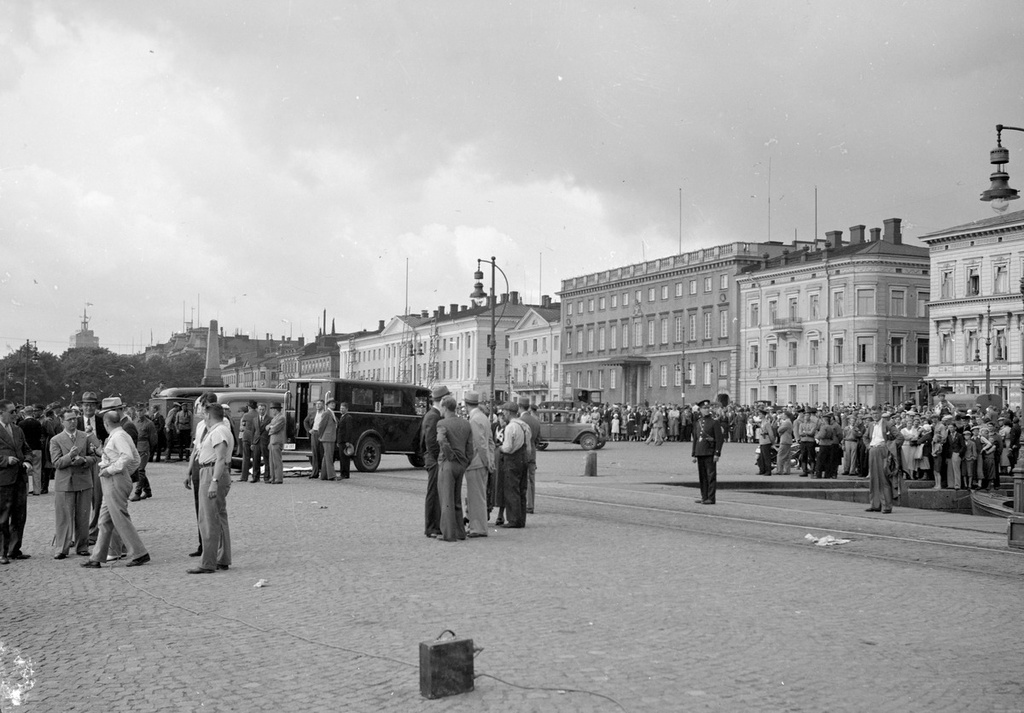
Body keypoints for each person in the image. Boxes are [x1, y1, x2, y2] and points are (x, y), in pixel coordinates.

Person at [81, 411, 150, 568]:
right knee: (104, 520)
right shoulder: (122, 435)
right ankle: (97, 557)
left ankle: (139, 552)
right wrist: (125, 473)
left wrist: (112, 470)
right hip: (116, 478)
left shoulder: (118, 437)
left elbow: (128, 456)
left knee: (119, 518)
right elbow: (135, 459)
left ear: (106, 424)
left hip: (113, 479)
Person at [188, 402, 234, 574]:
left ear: (208, 415)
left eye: (203, 414)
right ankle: (222, 558)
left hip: (212, 472)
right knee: (219, 517)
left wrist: (214, 481)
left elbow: (220, 458)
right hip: (212, 471)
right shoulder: (219, 430)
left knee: (208, 519)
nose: (202, 416)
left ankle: (208, 562)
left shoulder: (218, 432)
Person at [49, 410, 100, 559]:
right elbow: (56, 462)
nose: (73, 422)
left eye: (75, 419)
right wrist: (70, 456)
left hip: (84, 481)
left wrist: (83, 460)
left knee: (83, 516)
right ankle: (61, 548)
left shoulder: (85, 436)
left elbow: (94, 457)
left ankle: (82, 546)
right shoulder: (56, 440)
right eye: (69, 419)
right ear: (62, 421)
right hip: (65, 483)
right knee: (64, 517)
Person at [435, 395, 474, 542]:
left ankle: (448, 534)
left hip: (448, 463)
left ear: (445, 408)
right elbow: (470, 447)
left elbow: (441, 439)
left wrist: (449, 454)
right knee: (456, 498)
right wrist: (466, 461)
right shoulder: (466, 424)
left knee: (446, 499)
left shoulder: (442, 423)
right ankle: (460, 532)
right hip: (461, 464)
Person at [0, 399, 32, 564]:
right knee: (3, 517)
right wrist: (5, 460)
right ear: (1, 412)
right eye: (11, 412)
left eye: (15, 411)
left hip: (20, 478)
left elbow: (27, 449)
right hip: (4, 480)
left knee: (19, 515)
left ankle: (14, 549)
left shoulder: (18, 429)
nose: (15, 414)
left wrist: (27, 461)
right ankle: (2, 552)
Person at [464, 392, 493, 537]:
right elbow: (490, 442)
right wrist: (490, 460)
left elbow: (480, 444)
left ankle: (478, 528)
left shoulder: (474, 420)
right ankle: (477, 526)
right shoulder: (483, 418)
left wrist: (486, 461)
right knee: (479, 496)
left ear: (466, 404)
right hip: (482, 462)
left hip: (476, 462)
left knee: (476, 497)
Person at [498, 401, 531, 528]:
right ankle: (521, 519)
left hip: (512, 460)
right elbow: (528, 446)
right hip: (523, 458)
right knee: (522, 490)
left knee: (511, 490)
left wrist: (499, 448)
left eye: (504, 412)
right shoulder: (524, 425)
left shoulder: (510, 427)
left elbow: (508, 447)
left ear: (508, 412)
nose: (503, 415)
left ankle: (513, 519)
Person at [864, 408, 903, 514]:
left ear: (881, 413)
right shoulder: (871, 425)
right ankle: (875, 504)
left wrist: (889, 446)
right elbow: (865, 437)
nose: (874, 415)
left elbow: (900, 437)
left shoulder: (888, 424)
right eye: (873, 413)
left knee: (884, 479)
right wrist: (868, 446)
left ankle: (886, 506)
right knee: (873, 478)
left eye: (876, 413)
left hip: (883, 452)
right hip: (873, 450)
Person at [421, 385, 446, 538]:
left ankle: (434, 525)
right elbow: (431, 441)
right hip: (434, 459)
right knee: (434, 493)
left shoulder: (432, 415)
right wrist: (438, 457)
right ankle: (431, 526)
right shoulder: (433, 416)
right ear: (442, 400)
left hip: (431, 458)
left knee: (435, 492)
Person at [691, 399, 723, 505]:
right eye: (704, 408)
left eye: (708, 408)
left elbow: (719, 439)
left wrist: (717, 453)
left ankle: (711, 498)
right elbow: (696, 439)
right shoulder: (698, 422)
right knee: (702, 476)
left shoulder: (714, 422)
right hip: (700, 451)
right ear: (700, 409)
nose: (706, 410)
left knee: (710, 476)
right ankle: (704, 496)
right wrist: (694, 453)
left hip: (710, 452)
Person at [518, 397, 541, 514]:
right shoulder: (536, 421)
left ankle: (528, 504)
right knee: (531, 479)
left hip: (523, 453)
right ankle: (531, 504)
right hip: (533, 453)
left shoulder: (519, 421)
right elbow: (538, 439)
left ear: (519, 406)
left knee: (524, 479)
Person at [130, 404, 158, 501]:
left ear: (145, 411)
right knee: (138, 469)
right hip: (135, 448)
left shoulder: (149, 423)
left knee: (140, 470)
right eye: (137, 411)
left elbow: (153, 439)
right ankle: (147, 490)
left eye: (141, 411)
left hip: (144, 448)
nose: (139, 413)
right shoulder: (134, 422)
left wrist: (150, 449)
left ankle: (137, 492)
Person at [19, 405, 44, 496]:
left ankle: (25, 490)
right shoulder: (37, 423)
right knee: (37, 470)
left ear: (24, 413)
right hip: (37, 448)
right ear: (32, 413)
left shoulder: (21, 424)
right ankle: (37, 490)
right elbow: (41, 435)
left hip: (26, 450)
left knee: (25, 470)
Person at [318, 397, 339, 481]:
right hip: (327, 437)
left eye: (334, 403)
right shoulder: (327, 413)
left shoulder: (331, 413)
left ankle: (324, 475)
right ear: (327, 405)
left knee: (326, 456)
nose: (333, 404)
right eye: (331, 403)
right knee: (329, 456)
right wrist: (320, 435)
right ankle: (331, 475)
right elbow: (321, 425)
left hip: (330, 437)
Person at [305, 399, 324, 480]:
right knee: (315, 454)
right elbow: (305, 422)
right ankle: (315, 473)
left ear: (323, 405)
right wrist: (309, 430)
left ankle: (323, 473)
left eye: (320, 404)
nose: (318, 405)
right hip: (314, 433)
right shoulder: (312, 413)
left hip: (322, 434)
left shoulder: (326, 413)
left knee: (322, 453)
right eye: (317, 404)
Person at [267, 402, 286, 484]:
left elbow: (274, 429)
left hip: (277, 440)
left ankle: (278, 478)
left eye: (272, 409)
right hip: (272, 440)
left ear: (276, 410)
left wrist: (270, 427)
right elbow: (267, 427)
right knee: (272, 461)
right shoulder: (274, 418)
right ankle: (273, 477)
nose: (272, 411)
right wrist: (271, 427)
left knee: (277, 461)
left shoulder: (281, 418)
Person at [239, 401, 258, 482]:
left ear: (249, 407)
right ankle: (255, 476)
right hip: (255, 438)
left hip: (246, 436)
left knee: (246, 457)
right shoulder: (258, 415)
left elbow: (242, 427)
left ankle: (244, 477)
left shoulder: (246, 415)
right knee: (255, 458)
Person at [253, 403, 270, 483]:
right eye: (260, 409)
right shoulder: (254, 419)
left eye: (263, 409)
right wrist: (252, 443)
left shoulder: (270, 419)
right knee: (256, 459)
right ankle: (255, 477)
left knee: (266, 459)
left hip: (265, 441)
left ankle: (267, 477)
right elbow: (253, 431)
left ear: (265, 410)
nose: (261, 411)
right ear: (257, 410)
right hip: (256, 441)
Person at [336, 402, 352, 479]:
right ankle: (342, 472)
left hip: (344, 441)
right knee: (341, 457)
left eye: (343, 408)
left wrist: (347, 441)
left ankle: (345, 473)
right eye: (340, 408)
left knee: (345, 458)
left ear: (347, 409)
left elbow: (348, 430)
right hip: (340, 440)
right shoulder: (342, 417)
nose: (341, 410)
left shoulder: (348, 417)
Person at [776, 410, 794, 475]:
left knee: (780, 455)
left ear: (786, 415)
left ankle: (779, 470)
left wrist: (779, 427)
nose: (782, 416)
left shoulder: (786, 422)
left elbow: (779, 430)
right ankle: (787, 470)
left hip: (784, 440)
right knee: (787, 456)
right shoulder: (789, 422)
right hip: (788, 440)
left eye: (783, 414)